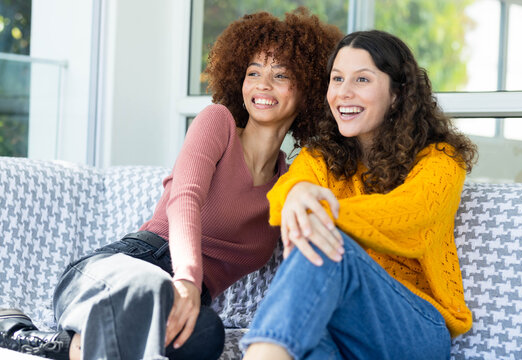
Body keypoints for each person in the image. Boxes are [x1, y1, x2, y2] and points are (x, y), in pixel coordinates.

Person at [0, 8, 342, 360]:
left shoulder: (291, 185)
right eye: (253, 72)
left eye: (280, 75)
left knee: (204, 336)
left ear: (309, 89)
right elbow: (185, 198)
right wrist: (187, 279)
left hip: (183, 300)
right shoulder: (217, 122)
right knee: (148, 292)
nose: (262, 85)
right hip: (126, 268)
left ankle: (38, 341)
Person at [241, 30, 478, 360]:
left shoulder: (440, 160)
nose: (343, 93)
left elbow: (412, 216)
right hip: (340, 328)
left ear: (397, 94)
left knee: (325, 244)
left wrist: (319, 209)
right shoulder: (320, 157)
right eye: (337, 79)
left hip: (415, 329)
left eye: (362, 80)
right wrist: (295, 193)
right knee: (305, 343)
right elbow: (284, 196)